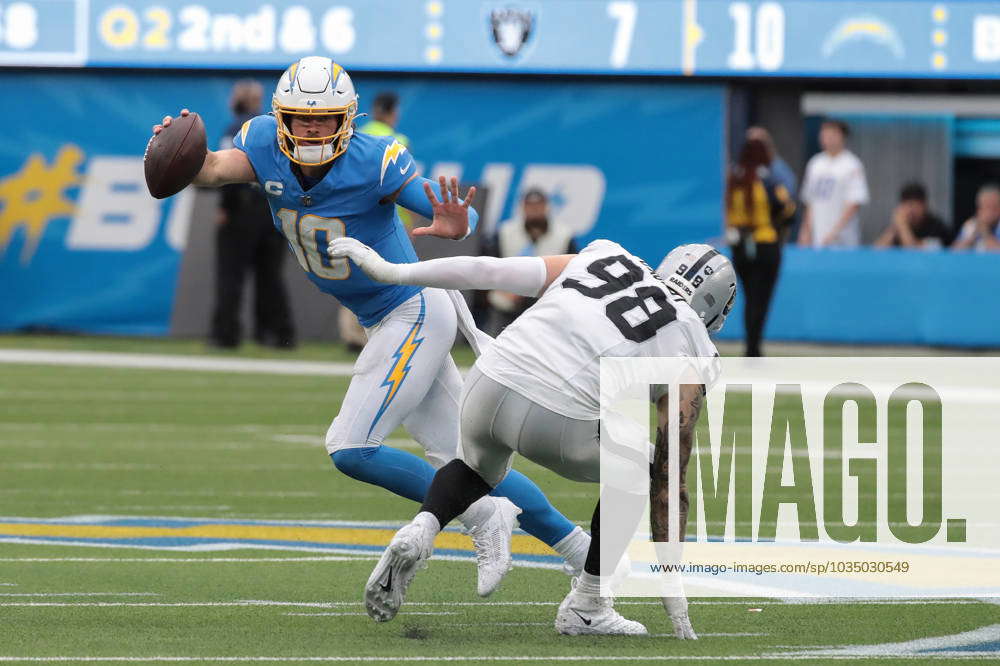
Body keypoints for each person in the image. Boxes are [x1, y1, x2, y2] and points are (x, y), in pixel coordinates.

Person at [150, 57, 591, 595]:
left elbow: (451, 212)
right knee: (473, 462)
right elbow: (214, 169)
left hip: (412, 309)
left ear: (348, 119)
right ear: (280, 117)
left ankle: (482, 516)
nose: (311, 130)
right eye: (301, 119)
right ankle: (584, 553)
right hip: (387, 316)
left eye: (324, 119)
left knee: (351, 448)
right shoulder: (263, 142)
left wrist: (457, 223)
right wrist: (178, 151)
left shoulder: (374, 160)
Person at [330, 235, 735, 638]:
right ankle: (588, 604)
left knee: (475, 468)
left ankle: (423, 526)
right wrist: (673, 585)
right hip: (556, 416)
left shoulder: (609, 256)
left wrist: (392, 271)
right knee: (645, 467)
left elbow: (487, 270)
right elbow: (670, 472)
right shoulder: (693, 345)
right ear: (715, 304)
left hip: (490, 379)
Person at [211, 80, 296, 349]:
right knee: (270, 276)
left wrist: (225, 206)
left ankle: (226, 335)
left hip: (241, 209)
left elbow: (225, 172)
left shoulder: (237, 129)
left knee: (231, 275)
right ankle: (277, 334)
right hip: (273, 208)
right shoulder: (271, 130)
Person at [334, 92, 414, 352]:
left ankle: (352, 336)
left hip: (351, 216)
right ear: (393, 111)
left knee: (355, 274)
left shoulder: (357, 133)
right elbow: (402, 188)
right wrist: (408, 224)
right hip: (385, 220)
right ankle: (384, 333)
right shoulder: (397, 140)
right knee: (389, 277)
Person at [725, 138, 796, 357]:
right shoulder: (768, 179)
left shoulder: (735, 179)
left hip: (740, 246)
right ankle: (754, 348)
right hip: (765, 243)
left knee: (749, 298)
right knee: (761, 299)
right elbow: (788, 209)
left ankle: (750, 345)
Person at [489, 189, 577, 334]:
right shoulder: (505, 232)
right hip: (510, 294)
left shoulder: (564, 235)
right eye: (530, 205)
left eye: (539, 205)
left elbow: (573, 271)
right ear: (522, 207)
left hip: (547, 296)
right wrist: (505, 289)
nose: (534, 210)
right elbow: (490, 265)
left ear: (547, 206)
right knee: (499, 303)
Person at [798, 120, 869, 248]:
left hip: (843, 240)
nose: (827, 138)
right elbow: (809, 201)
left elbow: (854, 202)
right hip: (818, 236)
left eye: (832, 134)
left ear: (842, 136)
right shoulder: (815, 163)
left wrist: (834, 232)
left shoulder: (851, 164)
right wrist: (806, 231)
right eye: (824, 134)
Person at [873, 182, 951, 249]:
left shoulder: (937, 227)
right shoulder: (897, 226)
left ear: (924, 205)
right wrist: (895, 228)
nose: (911, 211)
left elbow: (913, 252)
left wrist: (903, 227)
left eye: (915, 206)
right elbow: (876, 252)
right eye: (908, 206)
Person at [952, 184, 1000, 252]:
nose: (990, 212)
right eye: (986, 207)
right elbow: (954, 252)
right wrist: (971, 237)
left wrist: (985, 232)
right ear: (978, 209)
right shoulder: (971, 225)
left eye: (994, 207)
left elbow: (997, 251)